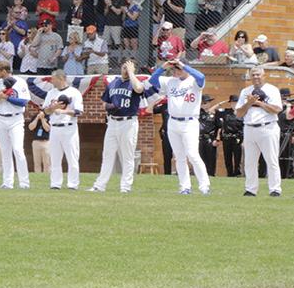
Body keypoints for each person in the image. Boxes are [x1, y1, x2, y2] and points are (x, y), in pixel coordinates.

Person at [149, 55, 210, 195]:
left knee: (193, 154)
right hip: (173, 122)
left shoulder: (194, 80)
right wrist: (162, 68)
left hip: (190, 122)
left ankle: (204, 185)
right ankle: (185, 187)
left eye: (178, 68)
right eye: (174, 68)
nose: (175, 71)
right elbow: (152, 80)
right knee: (179, 156)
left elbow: (201, 77)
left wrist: (184, 66)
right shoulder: (170, 81)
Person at [92, 59, 145, 193]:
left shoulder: (135, 82)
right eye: (124, 67)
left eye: (128, 68)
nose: (125, 70)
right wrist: (109, 107)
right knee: (107, 155)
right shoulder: (114, 83)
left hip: (128, 122)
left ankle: (125, 187)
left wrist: (132, 73)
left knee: (127, 156)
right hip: (113, 122)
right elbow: (104, 102)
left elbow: (138, 89)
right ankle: (99, 186)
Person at [233, 66, 285, 196]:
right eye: (253, 75)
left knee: (271, 160)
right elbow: (239, 113)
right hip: (249, 127)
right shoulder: (246, 91)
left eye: (258, 74)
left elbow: (277, 109)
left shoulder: (272, 90)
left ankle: (275, 189)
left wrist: (260, 103)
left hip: (267, 127)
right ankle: (251, 189)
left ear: (264, 75)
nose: (256, 77)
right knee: (249, 161)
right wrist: (249, 103)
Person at [34, 68, 84, 190]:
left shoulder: (74, 92)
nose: (51, 81)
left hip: (69, 128)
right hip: (55, 128)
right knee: (55, 158)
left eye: (53, 78)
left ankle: (72, 184)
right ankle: (55, 184)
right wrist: (53, 107)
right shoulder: (51, 93)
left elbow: (79, 112)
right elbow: (45, 110)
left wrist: (63, 111)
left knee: (72, 157)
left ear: (61, 78)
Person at [0, 61, 32, 190]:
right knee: (5, 151)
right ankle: (8, 182)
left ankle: (24, 182)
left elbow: (23, 102)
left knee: (18, 149)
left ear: (4, 71)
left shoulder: (19, 82)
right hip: (0, 118)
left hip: (16, 119)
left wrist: (6, 97)